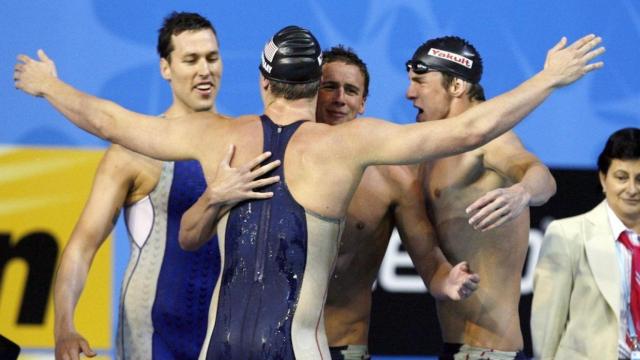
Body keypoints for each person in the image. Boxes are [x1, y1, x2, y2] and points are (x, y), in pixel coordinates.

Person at [14, 25, 603, 358]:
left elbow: (112, 121)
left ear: (264, 79)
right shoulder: (349, 147)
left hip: (217, 348)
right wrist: (548, 77)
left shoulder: (218, 135)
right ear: (314, 84)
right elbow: (472, 125)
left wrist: (50, 87)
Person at [50, 12, 278, 360]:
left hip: (226, 334)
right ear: (165, 68)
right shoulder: (132, 152)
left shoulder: (246, 142)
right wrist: (64, 327)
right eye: (191, 60)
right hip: (152, 336)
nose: (205, 70)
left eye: (212, 58)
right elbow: (82, 247)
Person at [317, 45, 478, 360]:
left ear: (363, 103)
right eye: (329, 87)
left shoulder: (394, 178)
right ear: (311, 91)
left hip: (343, 345)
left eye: (351, 91)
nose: (339, 98)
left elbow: (430, 263)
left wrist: (449, 281)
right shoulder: (276, 159)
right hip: (274, 345)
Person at [407, 36, 557, 359]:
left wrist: (521, 193)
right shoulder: (433, 148)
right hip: (455, 346)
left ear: (457, 86)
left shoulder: (492, 140)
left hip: (490, 350)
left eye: (419, 81)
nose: (409, 93)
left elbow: (541, 175)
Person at [531, 128, 640, 360]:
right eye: (621, 177)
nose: (632, 189)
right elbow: (547, 326)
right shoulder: (567, 235)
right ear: (603, 178)